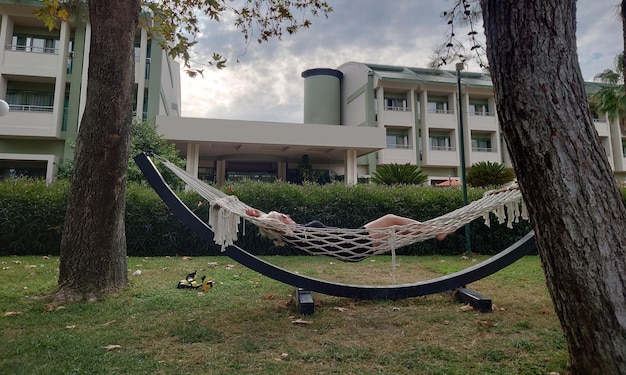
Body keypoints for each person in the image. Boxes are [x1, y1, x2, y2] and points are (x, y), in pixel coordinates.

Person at [244, 208, 451, 242]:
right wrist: (261, 218)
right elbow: (272, 225)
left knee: (396, 225)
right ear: (280, 225)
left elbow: (271, 223)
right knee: (391, 220)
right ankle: (437, 232)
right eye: (284, 216)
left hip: (354, 237)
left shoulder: (297, 232)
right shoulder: (294, 233)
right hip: (356, 242)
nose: (288, 215)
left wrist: (258, 214)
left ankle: (433, 232)